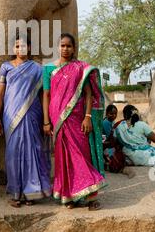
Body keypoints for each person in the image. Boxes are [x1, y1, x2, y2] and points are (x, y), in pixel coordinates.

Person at [43, 33, 107, 211]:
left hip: (77, 117)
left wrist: (87, 117)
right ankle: (68, 196)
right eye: (62, 46)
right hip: (57, 119)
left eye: (68, 46)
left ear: (73, 48)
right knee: (63, 158)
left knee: (81, 155)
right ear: (58, 47)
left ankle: (91, 195)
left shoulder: (80, 68)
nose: (65, 49)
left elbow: (88, 93)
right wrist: (46, 121)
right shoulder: (48, 69)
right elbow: (46, 95)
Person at [0, 36, 51, 208]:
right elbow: (0, 95)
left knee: (32, 150)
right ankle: (15, 193)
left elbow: (43, 95)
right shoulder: (6, 67)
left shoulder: (38, 69)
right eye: (17, 46)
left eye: (24, 46)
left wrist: (46, 119)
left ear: (30, 48)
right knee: (13, 154)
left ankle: (30, 192)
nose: (20, 49)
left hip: (32, 114)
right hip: (10, 115)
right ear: (13, 49)